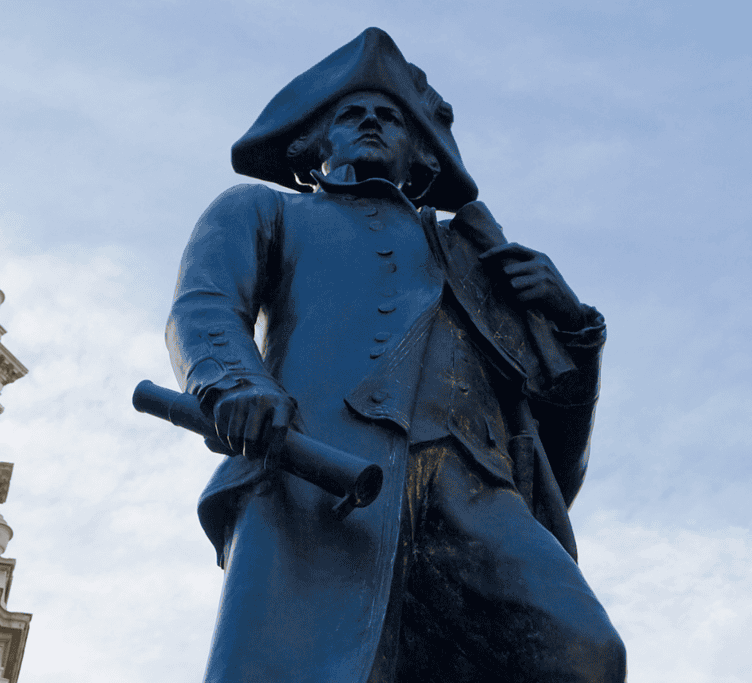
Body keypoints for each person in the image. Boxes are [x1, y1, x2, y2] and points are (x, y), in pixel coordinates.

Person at [166, 28, 626, 683]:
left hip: (477, 491)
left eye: (391, 117)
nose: (372, 124)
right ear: (313, 148)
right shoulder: (262, 211)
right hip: (322, 481)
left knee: (582, 651)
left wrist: (574, 327)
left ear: (423, 156)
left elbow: (555, 451)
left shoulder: (475, 260)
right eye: (351, 115)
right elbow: (204, 305)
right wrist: (235, 383)